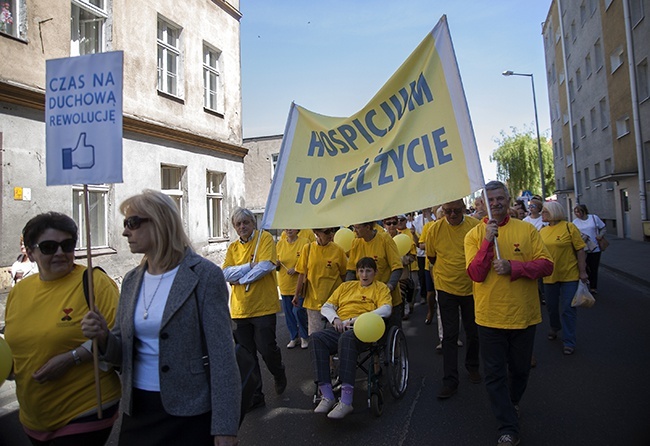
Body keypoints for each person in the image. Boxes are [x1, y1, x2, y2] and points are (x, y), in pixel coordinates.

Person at [81, 190, 240, 446]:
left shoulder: (204, 276)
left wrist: (225, 426)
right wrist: (102, 336)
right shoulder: (132, 280)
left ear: (160, 222)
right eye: (125, 224)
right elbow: (121, 352)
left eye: (132, 223)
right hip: (138, 410)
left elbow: (223, 358)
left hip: (189, 413)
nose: (125, 232)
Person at [5, 212, 121, 445]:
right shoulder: (19, 291)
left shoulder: (94, 282)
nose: (60, 252)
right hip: (34, 415)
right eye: (49, 247)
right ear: (30, 252)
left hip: (85, 407)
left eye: (67, 245)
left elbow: (117, 338)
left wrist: (72, 358)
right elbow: (13, 342)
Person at [464, 181, 553, 446]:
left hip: (523, 316)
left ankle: (512, 401)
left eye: (500, 198)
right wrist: (487, 242)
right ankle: (507, 426)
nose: (496, 204)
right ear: (482, 205)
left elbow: (546, 265)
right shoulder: (473, 236)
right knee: (494, 374)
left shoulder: (526, 230)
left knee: (520, 370)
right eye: (490, 200)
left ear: (508, 198)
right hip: (489, 317)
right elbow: (476, 274)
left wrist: (514, 267)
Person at [310, 257, 392, 419]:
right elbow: (326, 306)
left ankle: (346, 401)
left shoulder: (380, 288)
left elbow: (386, 310)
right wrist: (335, 319)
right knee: (315, 338)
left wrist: (358, 319)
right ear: (356, 273)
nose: (364, 274)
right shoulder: (346, 286)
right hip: (341, 326)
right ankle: (327, 394)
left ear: (375, 273)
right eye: (361, 271)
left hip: (364, 330)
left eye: (368, 271)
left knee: (346, 339)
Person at [223, 207, 286, 411]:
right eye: (238, 224)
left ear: (253, 223)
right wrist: (248, 268)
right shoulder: (233, 248)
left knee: (267, 349)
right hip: (240, 309)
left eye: (246, 223)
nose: (242, 227)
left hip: (263, 307)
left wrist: (239, 277)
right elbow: (225, 273)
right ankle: (256, 394)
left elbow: (266, 266)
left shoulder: (264, 239)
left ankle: (278, 371)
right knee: (247, 356)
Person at [425, 200, 481, 399]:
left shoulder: (475, 226)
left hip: (472, 287)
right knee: (449, 335)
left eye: (457, 211)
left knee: (473, 331)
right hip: (446, 286)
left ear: (464, 210)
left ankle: (472, 366)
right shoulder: (434, 229)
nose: (452, 215)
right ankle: (450, 381)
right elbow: (431, 257)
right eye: (448, 211)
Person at [540, 201, 588, 355]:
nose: (542, 214)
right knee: (551, 307)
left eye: (545, 211)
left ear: (553, 212)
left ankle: (569, 341)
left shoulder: (569, 227)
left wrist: (582, 271)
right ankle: (555, 326)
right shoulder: (542, 231)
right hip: (549, 276)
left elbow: (580, 250)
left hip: (569, 275)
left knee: (568, 308)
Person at [346, 222, 403, 327]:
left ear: (367, 227)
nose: (354, 231)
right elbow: (351, 270)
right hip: (365, 300)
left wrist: (389, 287)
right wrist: (348, 289)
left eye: (357, 228)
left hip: (388, 299)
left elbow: (397, 267)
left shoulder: (385, 239)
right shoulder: (355, 243)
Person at [294, 227, 347, 335]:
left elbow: (344, 276)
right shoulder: (307, 249)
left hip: (334, 303)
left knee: (335, 337)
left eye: (333, 230)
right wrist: (296, 294)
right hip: (313, 302)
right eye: (327, 232)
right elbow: (301, 273)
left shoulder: (338, 250)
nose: (331, 234)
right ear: (316, 232)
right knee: (316, 337)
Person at [276, 229, 310, 349]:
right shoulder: (280, 243)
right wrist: (277, 263)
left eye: (292, 227)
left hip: (299, 284)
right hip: (285, 283)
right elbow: (276, 262)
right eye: (286, 227)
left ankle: (304, 336)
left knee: (298, 311)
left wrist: (296, 269)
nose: (289, 230)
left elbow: (309, 261)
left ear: (297, 229)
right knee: (289, 313)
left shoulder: (305, 242)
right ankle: (293, 337)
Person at [572, 204, 606, 294]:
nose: (577, 214)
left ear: (584, 211)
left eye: (579, 211)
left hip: (595, 247)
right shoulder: (575, 222)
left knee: (594, 267)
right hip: (582, 248)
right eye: (575, 212)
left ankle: (593, 287)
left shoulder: (593, 218)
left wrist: (600, 235)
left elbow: (603, 228)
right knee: (584, 267)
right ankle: (585, 284)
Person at [396, 214, 420, 318]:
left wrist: (414, 234)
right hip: (396, 270)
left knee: (412, 288)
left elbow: (416, 248)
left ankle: (410, 304)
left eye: (402, 220)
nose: (399, 222)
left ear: (406, 221)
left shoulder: (410, 232)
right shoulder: (388, 234)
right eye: (397, 221)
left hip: (411, 268)